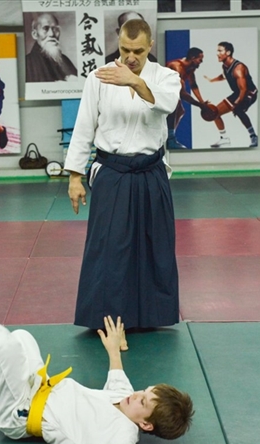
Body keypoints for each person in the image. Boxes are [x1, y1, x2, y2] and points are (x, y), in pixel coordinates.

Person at [0, 278, 194, 444]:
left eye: (143, 401)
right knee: (22, 338)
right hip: (36, 386)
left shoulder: (122, 435)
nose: (138, 394)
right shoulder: (124, 396)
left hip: (20, 413)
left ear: (146, 425)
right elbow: (118, 374)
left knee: (5, 347)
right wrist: (113, 349)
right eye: (145, 391)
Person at [64, 18, 181, 332]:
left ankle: (152, 316)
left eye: (138, 51)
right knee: (110, 249)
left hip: (151, 172)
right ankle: (107, 319)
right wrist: (74, 176)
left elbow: (168, 104)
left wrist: (135, 82)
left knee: (156, 247)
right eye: (125, 50)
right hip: (112, 172)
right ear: (118, 44)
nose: (131, 57)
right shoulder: (99, 77)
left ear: (150, 46)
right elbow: (84, 126)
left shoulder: (166, 77)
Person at [203, 41, 258, 148]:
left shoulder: (239, 68)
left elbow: (244, 89)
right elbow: (224, 75)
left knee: (238, 110)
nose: (217, 54)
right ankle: (224, 139)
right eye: (217, 51)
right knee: (214, 112)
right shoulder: (225, 66)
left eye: (220, 51)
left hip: (249, 93)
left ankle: (253, 136)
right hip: (238, 92)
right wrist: (211, 80)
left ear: (228, 52)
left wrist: (236, 104)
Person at [165, 47, 208, 149]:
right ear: (193, 58)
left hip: (170, 92)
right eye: (200, 59)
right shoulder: (177, 67)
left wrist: (202, 102)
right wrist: (199, 105)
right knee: (175, 106)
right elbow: (182, 93)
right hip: (160, 92)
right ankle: (169, 139)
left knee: (180, 111)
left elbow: (193, 85)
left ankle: (168, 136)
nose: (201, 62)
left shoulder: (190, 68)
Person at [25, 12, 77, 82]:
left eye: (55, 29)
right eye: (45, 29)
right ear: (35, 34)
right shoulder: (27, 63)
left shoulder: (65, 60)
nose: (51, 34)